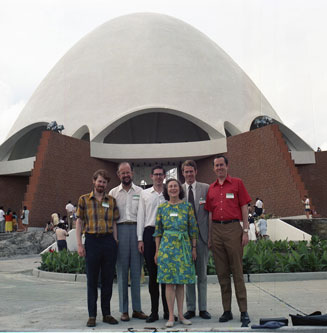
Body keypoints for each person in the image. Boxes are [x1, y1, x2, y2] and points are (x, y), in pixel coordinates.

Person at [205, 155, 251, 327]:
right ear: (213, 169)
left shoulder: (237, 183)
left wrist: (245, 230)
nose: (219, 168)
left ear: (227, 166)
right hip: (216, 229)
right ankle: (227, 310)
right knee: (222, 273)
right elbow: (209, 213)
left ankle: (243, 311)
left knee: (237, 271)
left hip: (233, 229)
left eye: (221, 165)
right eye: (216, 166)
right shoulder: (211, 188)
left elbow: (244, 207)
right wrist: (210, 236)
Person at [76, 169, 119, 328]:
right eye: (99, 181)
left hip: (108, 242)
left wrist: (115, 241)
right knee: (92, 280)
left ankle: (106, 314)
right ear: (94, 181)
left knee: (108, 280)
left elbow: (114, 222)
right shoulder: (84, 200)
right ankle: (92, 315)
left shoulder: (111, 200)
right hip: (92, 241)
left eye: (104, 182)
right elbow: (79, 222)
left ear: (107, 184)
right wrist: (80, 244)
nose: (101, 184)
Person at [154, 178, 198, 328]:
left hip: (183, 247)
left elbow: (193, 229)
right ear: (167, 190)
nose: (173, 189)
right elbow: (158, 231)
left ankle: (181, 315)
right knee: (169, 282)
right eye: (170, 186)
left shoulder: (187, 207)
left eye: (175, 186)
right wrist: (157, 251)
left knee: (180, 282)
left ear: (180, 189)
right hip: (167, 248)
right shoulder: (162, 208)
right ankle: (171, 316)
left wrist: (193, 248)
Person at [109, 162, 147, 322]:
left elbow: (143, 215)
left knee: (137, 272)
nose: (126, 175)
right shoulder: (113, 193)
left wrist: (142, 238)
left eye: (128, 172)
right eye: (122, 173)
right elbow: (110, 217)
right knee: (122, 273)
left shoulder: (140, 192)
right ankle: (124, 310)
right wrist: (114, 238)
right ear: (118, 175)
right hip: (120, 232)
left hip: (137, 232)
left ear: (133, 173)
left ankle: (137, 309)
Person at [137, 165, 169, 323]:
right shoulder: (145, 194)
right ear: (151, 176)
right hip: (149, 234)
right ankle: (154, 312)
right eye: (155, 174)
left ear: (164, 176)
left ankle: (168, 311)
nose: (158, 177)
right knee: (153, 276)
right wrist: (140, 239)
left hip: (167, 235)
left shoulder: (169, 193)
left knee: (166, 276)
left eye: (160, 175)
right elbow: (141, 216)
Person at [181, 160, 211, 320]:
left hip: (202, 238)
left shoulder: (205, 188)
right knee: (189, 275)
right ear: (183, 173)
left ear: (196, 172)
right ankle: (191, 308)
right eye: (186, 172)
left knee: (202, 274)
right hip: (185, 239)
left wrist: (210, 236)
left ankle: (203, 308)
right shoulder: (178, 190)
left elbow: (210, 213)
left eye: (191, 171)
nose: (189, 174)